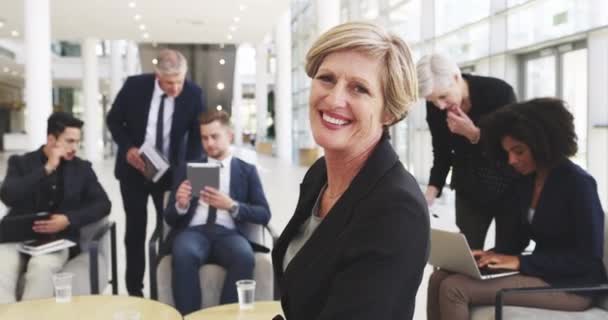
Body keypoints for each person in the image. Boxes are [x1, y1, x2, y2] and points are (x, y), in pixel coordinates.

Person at [271, 22, 430, 320]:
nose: (333, 99)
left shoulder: (396, 210)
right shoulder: (320, 175)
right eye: (327, 79)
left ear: (389, 112)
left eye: (359, 88)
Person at [427, 98, 607, 320]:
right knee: (439, 278)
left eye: (519, 151)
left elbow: (588, 259)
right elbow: (515, 242)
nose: (511, 160)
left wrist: (521, 261)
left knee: (454, 288)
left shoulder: (578, 184)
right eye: (508, 152)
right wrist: (489, 255)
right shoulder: (526, 181)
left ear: (542, 145)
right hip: (542, 271)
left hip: (572, 285)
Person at [106, 48, 205, 297]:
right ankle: (135, 290)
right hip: (135, 171)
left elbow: (196, 140)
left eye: (179, 81)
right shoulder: (134, 86)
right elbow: (114, 120)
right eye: (169, 83)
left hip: (169, 174)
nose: (175, 88)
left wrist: (192, 177)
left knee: (170, 228)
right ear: (157, 76)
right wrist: (128, 147)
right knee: (135, 231)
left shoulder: (194, 94)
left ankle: (164, 288)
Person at [163, 111, 271, 315]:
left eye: (215, 136)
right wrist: (180, 204)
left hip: (228, 233)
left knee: (244, 256)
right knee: (184, 252)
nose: (209, 143)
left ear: (229, 136)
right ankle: (189, 318)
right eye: (204, 137)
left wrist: (232, 205)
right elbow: (169, 217)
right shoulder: (187, 169)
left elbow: (264, 213)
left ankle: (226, 318)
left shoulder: (246, 170)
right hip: (193, 232)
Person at [0, 112, 111, 302]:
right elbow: (8, 196)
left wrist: (68, 220)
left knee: (41, 267)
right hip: (15, 238)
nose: (75, 147)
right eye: (69, 141)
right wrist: (46, 169)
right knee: (2, 266)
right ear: (51, 139)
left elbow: (103, 204)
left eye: (77, 141)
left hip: (55, 241)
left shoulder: (82, 169)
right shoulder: (20, 163)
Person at [416, 53, 517, 250]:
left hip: (508, 185)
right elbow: (442, 152)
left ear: (456, 77)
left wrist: (475, 135)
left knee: (506, 254)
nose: (440, 105)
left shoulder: (499, 93)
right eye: (433, 100)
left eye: (443, 96)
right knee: (466, 254)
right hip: (469, 186)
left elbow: (516, 147)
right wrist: (430, 193)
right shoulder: (435, 106)